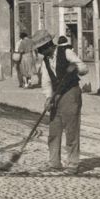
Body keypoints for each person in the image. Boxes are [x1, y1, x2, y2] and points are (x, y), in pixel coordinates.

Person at [37, 32, 89, 174]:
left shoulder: (66, 52)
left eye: (41, 49)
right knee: (54, 129)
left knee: (71, 130)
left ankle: (73, 164)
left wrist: (76, 68)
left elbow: (84, 68)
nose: (40, 53)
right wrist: (48, 97)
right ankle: (54, 163)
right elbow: (46, 81)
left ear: (48, 46)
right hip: (56, 94)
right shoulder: (46, 60)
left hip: (71, 93)